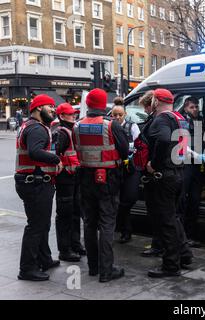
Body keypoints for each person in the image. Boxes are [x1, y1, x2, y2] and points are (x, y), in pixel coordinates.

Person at [73, 88, 129, 283]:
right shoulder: (111, 125)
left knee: (89, 223)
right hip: (108, 179)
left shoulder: (77, 125)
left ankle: (93, 267)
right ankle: (107, 270)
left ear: (88, 104)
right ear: (104, 104)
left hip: (85, 179)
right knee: (106, 224)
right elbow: (123, 151)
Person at [145, 88, 193, 278]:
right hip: (179, 172)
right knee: (172, 218)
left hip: (165, 175)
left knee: (166, 221)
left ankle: (171, 265)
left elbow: (164, 139)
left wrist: (153, 164)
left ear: (156, 101)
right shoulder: (179, 117)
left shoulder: (162, 119)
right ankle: (184, 254)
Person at [15, 94, 63, 281]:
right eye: (49, 106)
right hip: (34, 182)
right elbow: (35, 152)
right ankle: (27, 268)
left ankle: (44, 259)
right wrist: (56, 159)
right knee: (36, 226)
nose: (53, 109)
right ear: (37, 108)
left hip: (31, 181)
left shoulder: (30, 126)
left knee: (41, 223)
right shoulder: (37, 128)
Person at [52, 103, 83, 263]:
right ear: (62, 116)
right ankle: (65, 250)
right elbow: (53, 153)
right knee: (65, 214)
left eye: (74, 113)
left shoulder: (71, 130)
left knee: (75, 212)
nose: (73, 116)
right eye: (70, 114)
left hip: (74, 177)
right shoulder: (60, 132)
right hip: (65, 179)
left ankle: (75, 244)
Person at [136, 91, 165, 258]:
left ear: (150, 105)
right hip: (163, 171)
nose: (145, 111)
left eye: (145, 107)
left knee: (156, 211)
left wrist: (152, 164)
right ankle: (160, 244)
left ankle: (159, 246)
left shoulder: (156, 121)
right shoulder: (164, 119)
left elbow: (157, 143)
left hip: (154, 172)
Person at [178, 97, 205, 247]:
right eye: (192, 107)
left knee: (195, 201)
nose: (195, 109)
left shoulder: (201, 121)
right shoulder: (183, 122)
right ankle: (182, 236)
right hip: (186, 164)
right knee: (182, 200)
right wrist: (198, 156)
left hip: (198, 165)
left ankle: (190, 235)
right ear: (185, 108)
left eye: (196, 107)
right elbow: (182, 145)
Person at [111, 97, 141, 243]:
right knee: (118, 200)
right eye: (114, 115)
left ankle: (123, 227)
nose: (117, 117)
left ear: (125, 114)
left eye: (120, 115)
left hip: (131, 168)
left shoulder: (132, 127)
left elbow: (140, 145)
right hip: (115, 169)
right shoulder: (109, 127)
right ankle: (125, 230)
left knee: (128, 199)